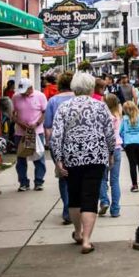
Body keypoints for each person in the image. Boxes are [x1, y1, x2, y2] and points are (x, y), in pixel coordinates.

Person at [49, 72, 115, 255]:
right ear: (91, 87)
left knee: (75, 196)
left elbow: (56, 136)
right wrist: (110, 153)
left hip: (72, 157)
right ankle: (87, 240)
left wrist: (58, 160)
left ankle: (78, 232)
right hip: (95, 156)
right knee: (90, 197)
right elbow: (109, 132)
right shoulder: (100, 106)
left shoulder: (64, 107)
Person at [44, 72, 76, 225]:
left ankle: (67, 210)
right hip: (77, 143)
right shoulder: (78, 99)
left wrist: (50, 145)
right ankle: (77, 208)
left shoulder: (53, 101)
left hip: (60, 145)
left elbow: (48, 127)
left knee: (63, 177)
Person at [12, 77, 47, 191]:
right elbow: (12, 114)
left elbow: (44, 113)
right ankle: (23, 182)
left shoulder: (40, 96)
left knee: (38, 157)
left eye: (26, 91)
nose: (23, 94)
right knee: (21, 158)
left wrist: (37, 123)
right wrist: (20, 123)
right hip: (20, 132)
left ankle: (39, 181)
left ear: (31, 88)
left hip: (36, 132)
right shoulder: (16, 97)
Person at [98, 94, 123, 218]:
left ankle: (104, 200)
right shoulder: (117, 115)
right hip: (117, 148)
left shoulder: (103, 116)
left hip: (104, 149)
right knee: (115, 181)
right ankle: (115, 209)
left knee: (102, 179)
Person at [120, 101, 139, 192]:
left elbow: (120, 132)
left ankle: (134, 185)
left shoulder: (124, 119)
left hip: (129, 143)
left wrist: (123, 141)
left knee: (132, 164)